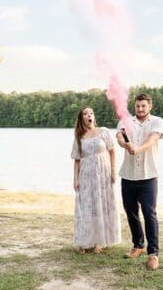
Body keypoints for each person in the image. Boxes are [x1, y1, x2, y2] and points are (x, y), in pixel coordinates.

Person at [116, 93, 163, 270]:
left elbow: (152, 139)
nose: (140, 109)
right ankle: (138, 245)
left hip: (148, 177)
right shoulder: (125, 121)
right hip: (128, 176)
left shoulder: (158, 122)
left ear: (150, 106)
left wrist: (138, 149)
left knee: (149, 213)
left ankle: (153, 254)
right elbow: (120, 137)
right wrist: (125, 144)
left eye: (143, 106)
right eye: (137, 106)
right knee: (131, 212)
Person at [70, 107, 121, 254]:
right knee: (86, 207)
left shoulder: (103, 132)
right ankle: (83, 241)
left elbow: (112, 152)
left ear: (94, 116)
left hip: (103, 174)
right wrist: (75, 179)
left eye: (91, 113)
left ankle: (99, 241)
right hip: (86, 176)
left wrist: (113, 171)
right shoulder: (79, 138)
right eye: (85, 114)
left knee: (101, 206)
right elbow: (77, 160)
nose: (89, 115)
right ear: (82, 119)